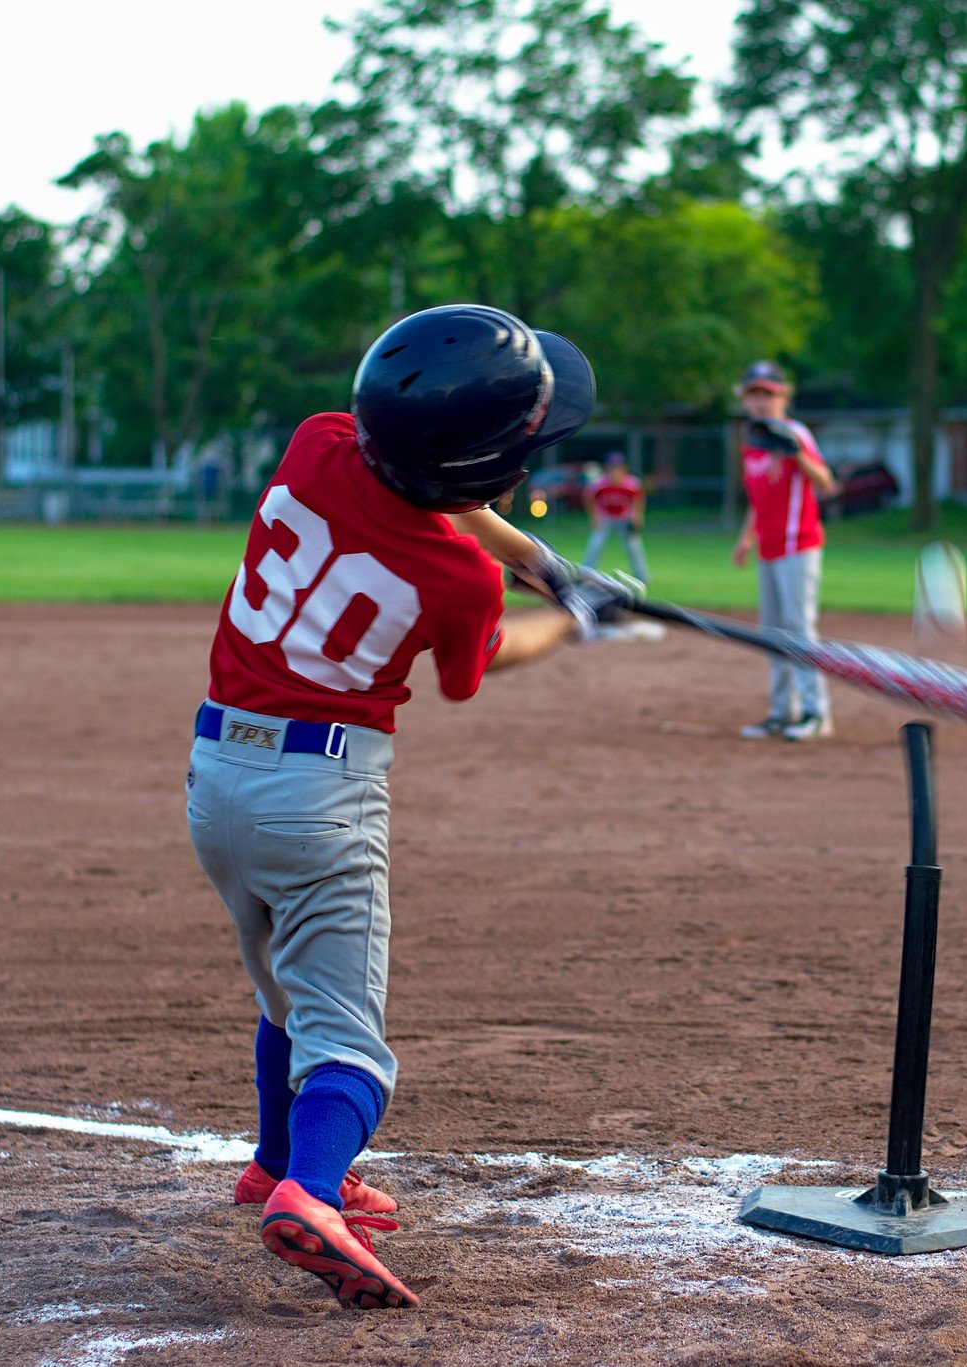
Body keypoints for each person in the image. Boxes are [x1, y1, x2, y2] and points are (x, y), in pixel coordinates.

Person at [188, 304, 636, 1310]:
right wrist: (569, 626)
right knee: (350, 1042)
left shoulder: (319, 442)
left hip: (217, 771)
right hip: (320, 795)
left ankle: (273, 1158)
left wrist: (548, 568)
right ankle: (307, 1192)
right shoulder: (455, 580)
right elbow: (475, 667)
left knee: (283, 994)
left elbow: (434, 491)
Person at [730, 360, 838, 740]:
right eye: (754, 395)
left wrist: (797, 455)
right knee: (772, 632)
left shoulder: (796, 433)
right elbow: (758, 498)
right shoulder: (753, 441)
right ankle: (781, 711)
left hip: (799, 545)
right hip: (770, 548)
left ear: (782, 397)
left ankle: (816, 713)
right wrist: (747, 538)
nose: (760, 403)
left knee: (799, 628)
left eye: (767, 395)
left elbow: (827, 484)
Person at [580, 450, 649, 585]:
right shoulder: (599, 483)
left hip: (624, 517)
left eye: (617, 468)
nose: (615, 471)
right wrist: (594, 517)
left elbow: (638, 500)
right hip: (605, 517)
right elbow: (588, 497)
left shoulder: (632, 483)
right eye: (612, 468)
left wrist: (637, 516)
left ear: (624, 469)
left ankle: (642, 579)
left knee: (634, 548)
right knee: (595, 545)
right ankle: (585, 576)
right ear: (607, 469)